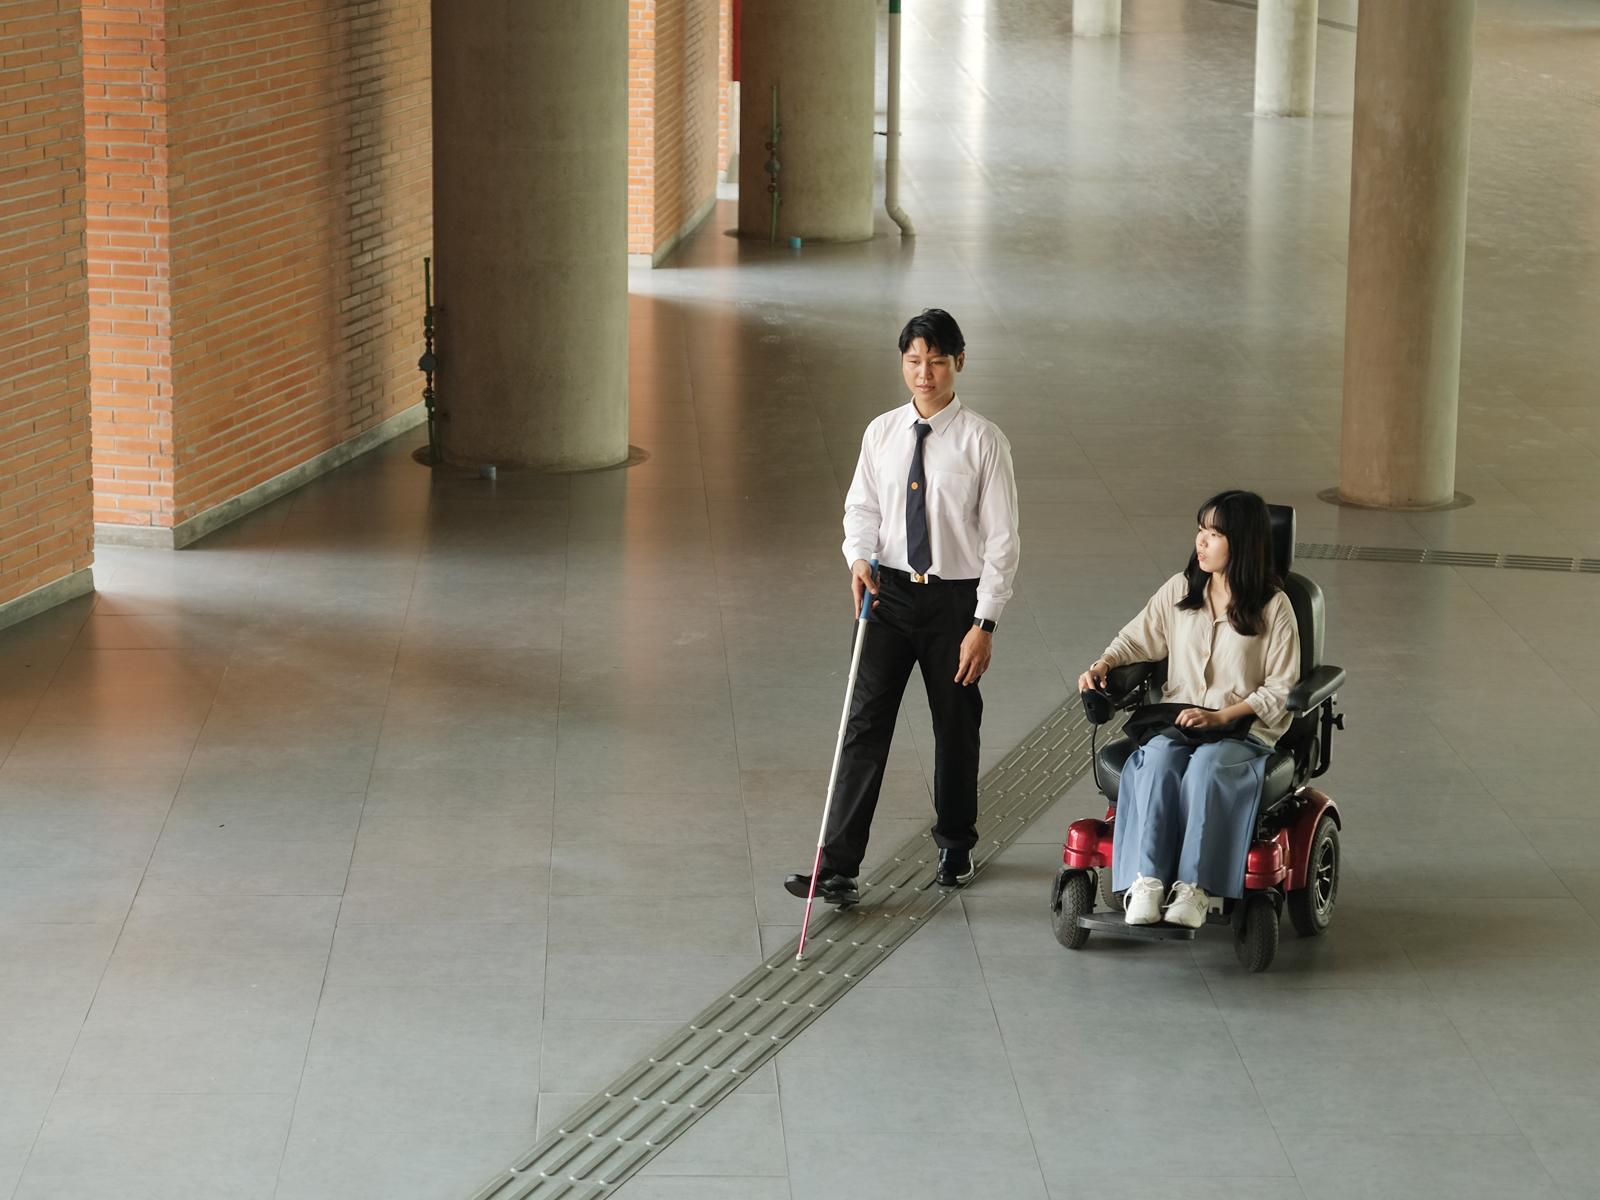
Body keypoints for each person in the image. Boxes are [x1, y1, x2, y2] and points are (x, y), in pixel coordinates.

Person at [785, 309, 1020, 905]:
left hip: (953, 604)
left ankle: (956, 844)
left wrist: (983, 623)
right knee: (862, 727)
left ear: (958, 362)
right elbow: (861, 509)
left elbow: (1002, 541)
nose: (924, 372)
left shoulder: (983, 441)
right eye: (914, 360)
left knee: (955, 728)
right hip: (887, 596)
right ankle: (837, 866)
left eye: (936, 360)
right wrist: (859, 559)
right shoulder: (881, 433)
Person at [1077, 490, 1299, 928]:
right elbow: (1137, 638)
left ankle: (1196, 890)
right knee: (1155, 760)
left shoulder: (1275, 607)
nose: (1201, 542)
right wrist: (1103, 663)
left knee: (1207, 769)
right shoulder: (1181, 590)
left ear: (1244, 543)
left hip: (1242, 730)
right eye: (1200, 530)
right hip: (1180, 722)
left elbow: (1281, 688)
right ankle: (1147, 883)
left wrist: (1223, 715)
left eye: (1214, 534)